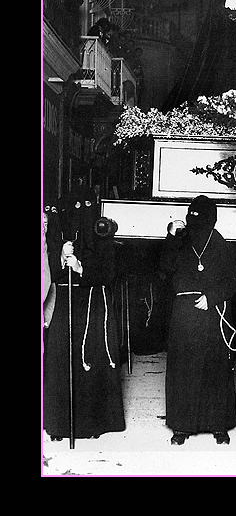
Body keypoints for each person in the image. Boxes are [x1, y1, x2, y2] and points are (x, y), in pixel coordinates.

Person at [43, 186, 125, 441]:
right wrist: (61, 256)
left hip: (92, 304)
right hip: (65, 302)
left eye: (88, 207)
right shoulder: (55, 235)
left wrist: (80, 267)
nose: (82, 214)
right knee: (61, 360)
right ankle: (59, 425)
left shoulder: (102, 234)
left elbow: (109, 272)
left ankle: (90, 425)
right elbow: (50, 273)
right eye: (75, 208)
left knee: (90, 360)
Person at [159, 195, 236, 446]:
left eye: (200, 216)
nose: (194, 221)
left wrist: (213, 297)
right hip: (184, 313)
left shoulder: (221, 246)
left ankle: (218, 425)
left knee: (215, 368)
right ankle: (182, 426)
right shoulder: (180, 241)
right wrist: (172, 237)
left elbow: (233, 281)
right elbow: (164, 268)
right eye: (190, 214)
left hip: (212, 313)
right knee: (183, 368)